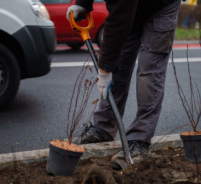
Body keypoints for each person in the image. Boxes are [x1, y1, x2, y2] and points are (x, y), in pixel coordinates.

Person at [67, 0, 181, 169]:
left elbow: (119, 18)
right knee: (118, 66)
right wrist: (83, 3)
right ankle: (103, 129)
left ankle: (139, 141)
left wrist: (104, 68)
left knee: (149, 73)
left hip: (162, 5)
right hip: (130, 8)